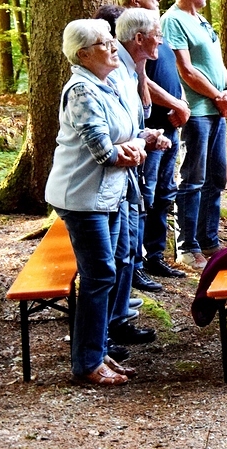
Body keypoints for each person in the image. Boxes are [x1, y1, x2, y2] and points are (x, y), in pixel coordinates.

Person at [45, 19, 169, 386]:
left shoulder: (106, 83)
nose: (114, 46)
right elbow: (103, 152)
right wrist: (133, 149)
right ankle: (87, 363)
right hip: (83, 197)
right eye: (104, 43)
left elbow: (123, 134)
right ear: (83, 54)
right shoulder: (82, 91)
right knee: (99, 275)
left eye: (112, 40)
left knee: (108, 271)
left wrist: (144, 138)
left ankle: (99, 353)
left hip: (109, 194)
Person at [161, 0, 227, 270]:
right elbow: (186, 70)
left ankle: (208, 239)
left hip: (217, 110)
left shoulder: (202, 21)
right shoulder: (173, 21)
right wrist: (217, 96)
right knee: (193, 179)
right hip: (197, 111)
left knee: (216, 177)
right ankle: (187, 247)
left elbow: (216, 61)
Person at [118, 0, 191, 280]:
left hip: (169, 127)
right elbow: (142, 79)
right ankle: (136, 261)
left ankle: (155, 255)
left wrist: (181, 103)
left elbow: (172, 71)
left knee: (165, 192)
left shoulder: (154, 32)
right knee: (145, 196)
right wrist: (176, 104)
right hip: (149, 130)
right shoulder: (130, 34)